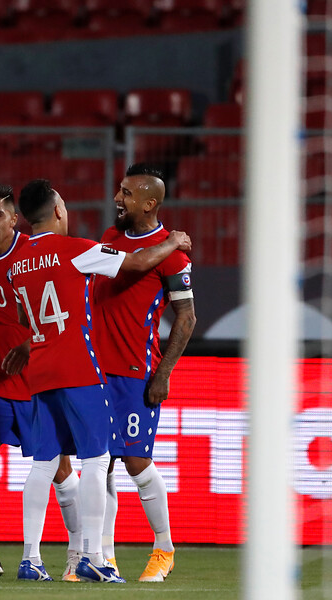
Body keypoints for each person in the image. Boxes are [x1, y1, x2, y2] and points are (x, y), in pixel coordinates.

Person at [4, 179, 191, 584]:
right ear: (56, 211)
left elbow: (23, 319)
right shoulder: (79, 249)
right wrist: (174, 241)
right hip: (81, 369)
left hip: (42, 370)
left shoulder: (16, 262)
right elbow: (138, 263)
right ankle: (93, 556)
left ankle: (31, 559)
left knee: (45, 463)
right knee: (98, 461)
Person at [0, 184, 83, 580]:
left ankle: (78, 553)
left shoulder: (36, 253)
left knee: (59, 469)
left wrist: (29, 342)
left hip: (36, 382)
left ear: (14, 218)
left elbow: (68, 307)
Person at [94, 164, 196, 582]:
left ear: (150, 203)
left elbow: (186, 318)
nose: (118, 199)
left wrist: (163, 373)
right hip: (97, 371)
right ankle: (106, 556)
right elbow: (126, 268)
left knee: (137, 461)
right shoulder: (111, 238)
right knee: (100, 463)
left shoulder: (175, 257)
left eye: (126, 193)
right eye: (119, 191)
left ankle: (164, 548)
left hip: (136, 372)